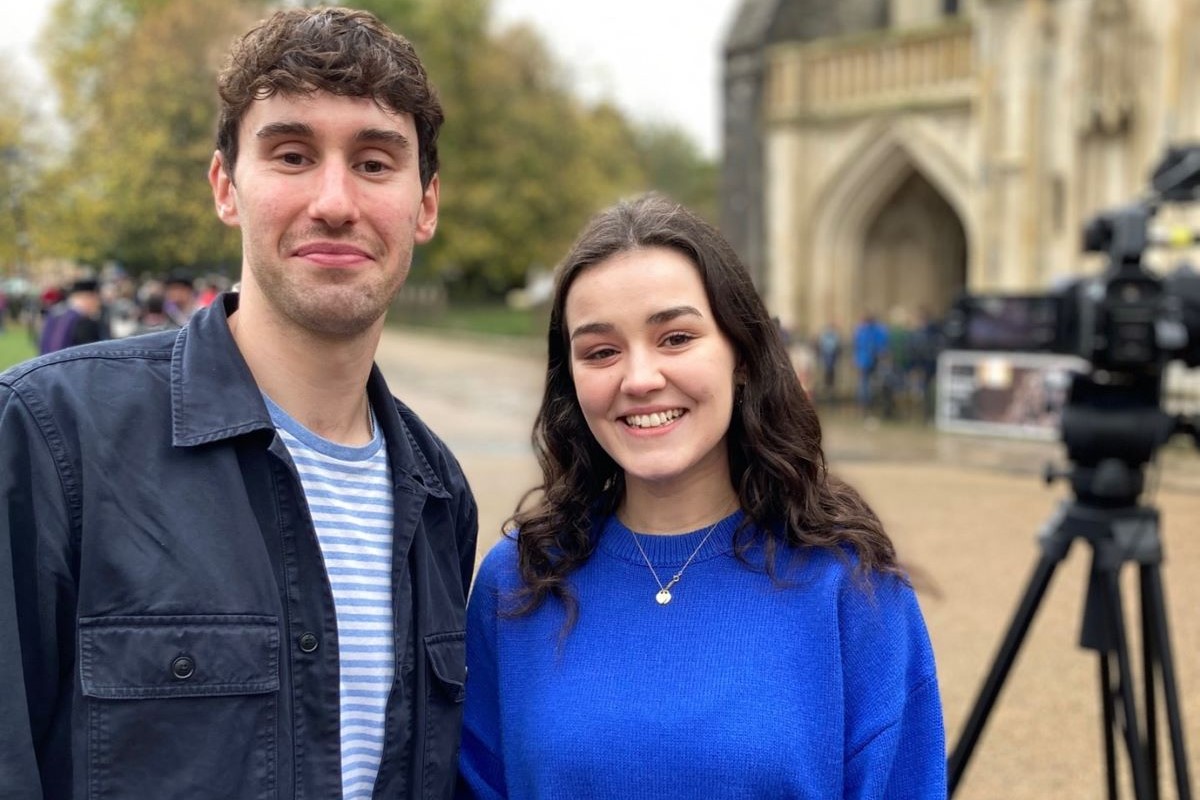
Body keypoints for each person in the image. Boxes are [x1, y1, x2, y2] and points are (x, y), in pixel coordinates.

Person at [0, 8, 478, 800]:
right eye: (292, 155)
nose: (334, 201)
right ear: (226, 188)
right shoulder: (53, 439)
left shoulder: (438, 493)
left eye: (374, 162)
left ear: (424, 204)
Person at [458, 194, 945, 798]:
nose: (639, 379)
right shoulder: (518, 583)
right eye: (601, 351)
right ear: (571, 380)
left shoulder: (852, 587)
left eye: (676, 338)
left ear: (741, 354)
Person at [37, 277, 108, 354]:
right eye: (96, 299)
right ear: (87, 297)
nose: (98, 304)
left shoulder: (54, 314)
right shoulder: (85, 323)